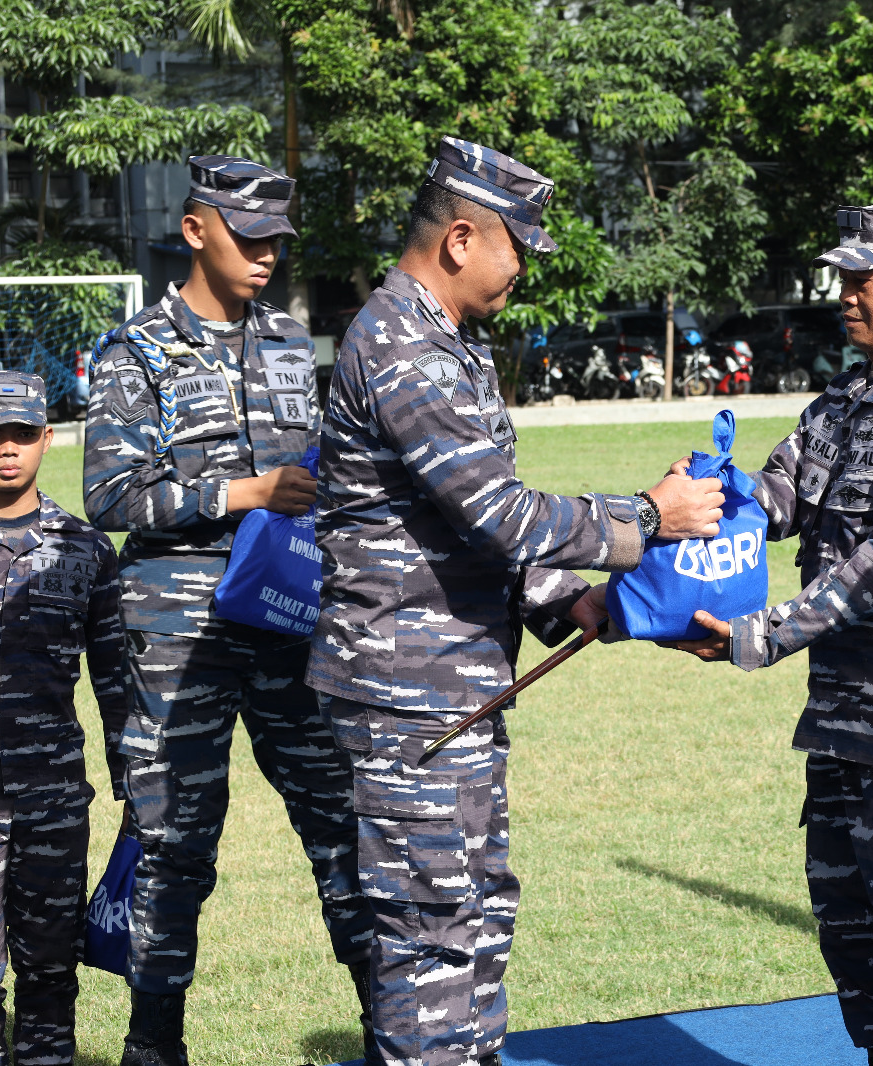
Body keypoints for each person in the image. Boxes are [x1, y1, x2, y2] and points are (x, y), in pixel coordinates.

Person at [309, 135, 725, 1066]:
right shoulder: (401, 343)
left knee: (477, 909)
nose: (524, 270)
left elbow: (463, 524)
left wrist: (572, 606)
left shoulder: (449, 341)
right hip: (405, 695)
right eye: (519, 248)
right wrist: (649, 516)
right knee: (429, 930)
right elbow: (500, 513)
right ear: (461, 238)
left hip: (449, 691)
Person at [667, 203, 873, 1066]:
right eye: (843, 280)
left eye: (865, 280)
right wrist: (707, 492)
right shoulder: (843, 402)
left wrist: (764, 632)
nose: (845, 296)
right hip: (846, 725)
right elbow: (778, 497)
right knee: (856, 952)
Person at [84, 156, 372, 1066]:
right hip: (178, 634)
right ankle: (153, 1044)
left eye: (277, 242)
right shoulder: (137, 351)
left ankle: (394, 1028)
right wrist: (244, 491)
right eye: (249, 238)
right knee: (174, 841)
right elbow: (112, 498)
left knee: (342, 819)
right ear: (196, 228)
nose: (266, 256)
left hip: (289, 619)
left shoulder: (290, 341)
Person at [0, 372, 131, 1066]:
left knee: (50, 967)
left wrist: (136, 781)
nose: (7, 450)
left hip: (53, 800)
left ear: (45, 438)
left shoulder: (84, 550)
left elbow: (116, 677)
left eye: (20, 435)